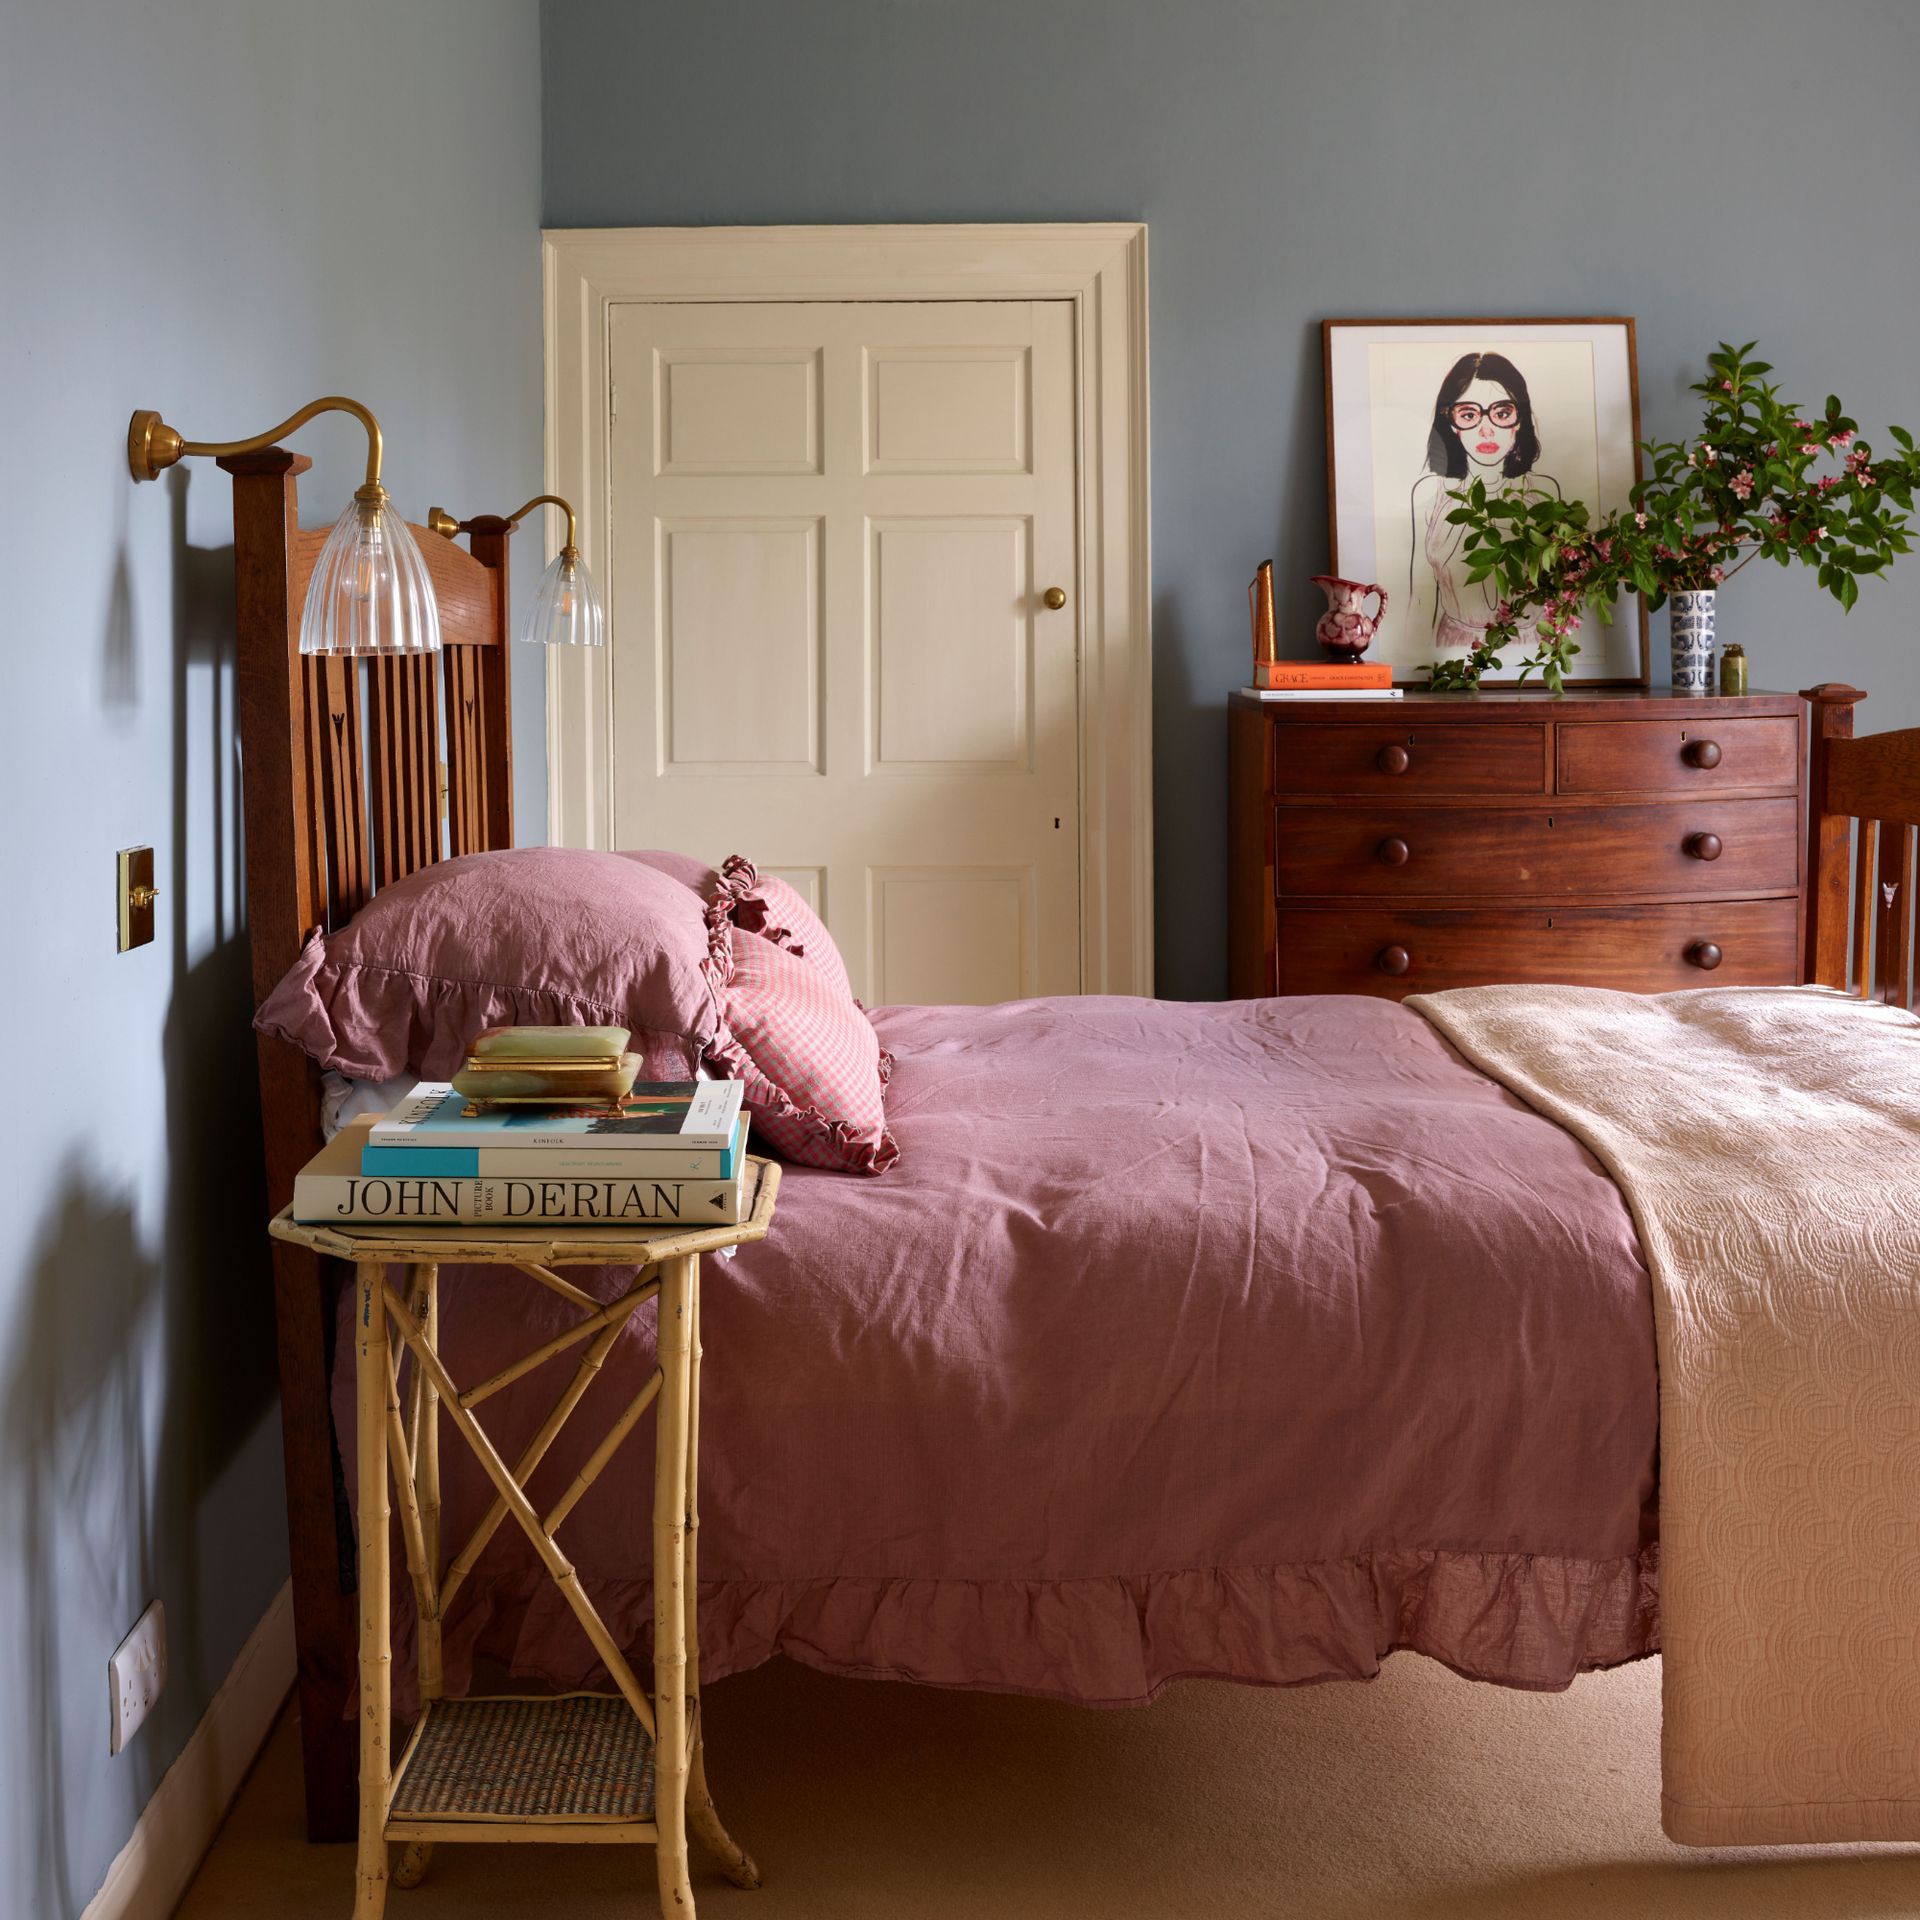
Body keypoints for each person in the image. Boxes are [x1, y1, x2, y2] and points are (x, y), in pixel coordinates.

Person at [1409, 352, 1560, 657]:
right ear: (1451, 422)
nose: (1487, 429)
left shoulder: (1544, 493)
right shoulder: (1430, 495)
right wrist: (1407, 667)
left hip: (1531, 653)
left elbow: (1559, 595)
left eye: (1502, 413)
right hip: (1452, 653)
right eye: (1469, 414)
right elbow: (1421, 601)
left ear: (1520, 419)